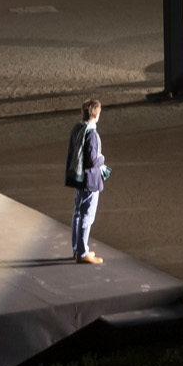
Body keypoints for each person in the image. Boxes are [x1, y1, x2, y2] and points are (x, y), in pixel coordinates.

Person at [64, 99, 109, 265]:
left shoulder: (77, 129)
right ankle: (83, 253)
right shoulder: (92, 133)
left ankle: (76, 249)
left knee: (77, 213)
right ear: (96, 115)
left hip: (78, 178)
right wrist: (101, 158)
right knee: (87, 216)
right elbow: (92, 160)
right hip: (90, 180)